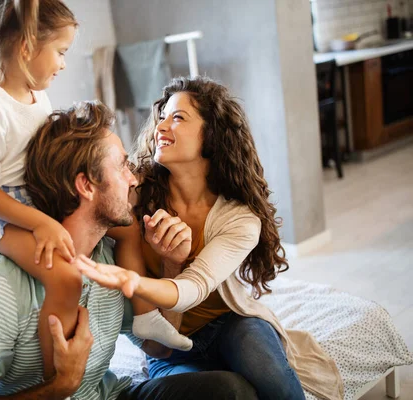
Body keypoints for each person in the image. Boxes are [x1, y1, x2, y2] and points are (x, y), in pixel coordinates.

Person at [0, 0, 191, 380]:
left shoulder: (33, 97)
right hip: (3, 215)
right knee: (64, 275)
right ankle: (58, 368)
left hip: (31, 198)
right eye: (60, 52)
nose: (63, 63)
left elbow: (12, 139)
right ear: (27, 47)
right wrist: (40, 223)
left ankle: (145, 316)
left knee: (128, 228)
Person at [0, 101, 257, 399]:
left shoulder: (109, 257)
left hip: (112, 395)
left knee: (231, 391)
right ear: (86, 185)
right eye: (122, 167)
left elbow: (157, 347)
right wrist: (60, 387)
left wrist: (173, 265)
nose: (134, 180)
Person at [74, 77, 344, 400]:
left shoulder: (238, 218)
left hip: (228, 323)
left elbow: (195, 287)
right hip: (170, 351)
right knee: (233, 392)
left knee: (266, 367)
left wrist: (135, 279)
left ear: (211, 136)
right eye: (162, 117)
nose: (160, 126)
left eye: (178, 117)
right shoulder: (133, 195)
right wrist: (170, 264)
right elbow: (158, 343)